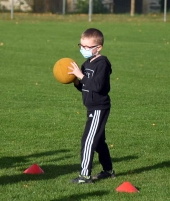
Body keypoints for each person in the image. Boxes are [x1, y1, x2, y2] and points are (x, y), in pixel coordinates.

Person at [68, 28, 115, 184]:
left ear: (98, 47)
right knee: (99, 142)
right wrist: (76, 82)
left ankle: (85, 176)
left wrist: (81, 76)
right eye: (81, 46)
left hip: (99, 108)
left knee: (88, 141)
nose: (83, 49)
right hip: (91, 107)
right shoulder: (87, 63)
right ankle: (108, 171)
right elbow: (85, 87)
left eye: (87, 47)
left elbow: (98, 86)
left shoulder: (103, 63)